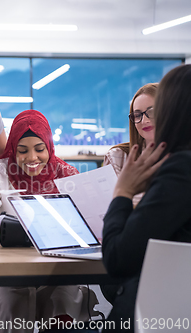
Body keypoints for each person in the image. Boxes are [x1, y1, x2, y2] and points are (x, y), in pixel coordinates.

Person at [0, 110, 96, 333]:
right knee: (12, 304)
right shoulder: (0, 169)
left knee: (62, 305)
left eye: (40, 150)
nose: (32, 158)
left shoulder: (66, 173)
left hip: (56, 268)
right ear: (13, 149)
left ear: (49, 147)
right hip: (8, 270)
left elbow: (87, 222)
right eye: (22, 151)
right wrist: (23, 231)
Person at [102, 64, 191, 332]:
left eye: (156, 108)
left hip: (158, 319)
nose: (145, 120)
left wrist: (122, 193)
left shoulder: (180, 169)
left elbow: (118, 258)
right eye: (137, 115)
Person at [103, 83, 157, 206]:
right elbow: (107, 208)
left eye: (152, 112)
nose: (144, 121)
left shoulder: (182, 157)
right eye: (137, 115)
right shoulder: (117, 157)